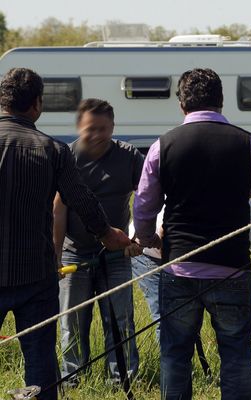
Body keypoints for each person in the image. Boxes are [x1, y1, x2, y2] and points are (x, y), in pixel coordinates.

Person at [134, 68, 251, 400]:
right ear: (221, 101)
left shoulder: (163, 147)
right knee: (235, 355)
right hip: (231, 269)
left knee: (175, 355)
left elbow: (144, 207)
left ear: (181, 105)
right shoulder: (248, 144)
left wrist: (147, 238)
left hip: (178, 269)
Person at [0, 68, 130, 400]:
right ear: (37, 104)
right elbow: (81, 199)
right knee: (40, 363)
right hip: (35, 274)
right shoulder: (52, 150)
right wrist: (107, 234)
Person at [131, 198, 251, 342]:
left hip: (198, 262)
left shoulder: (244, 200)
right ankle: (175, 379)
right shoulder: (188, 187)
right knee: (170, 325)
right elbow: (164, 235)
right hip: (153, 253)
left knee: (191, 326)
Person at [52, 98, 144, 384]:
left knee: (120, 319)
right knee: (72, 322)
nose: (97, 135)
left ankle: (122, 378)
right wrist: (55, 255)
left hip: (116, 255)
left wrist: (137, 236)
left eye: (103, 129)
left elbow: (147, 198)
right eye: (91, 129)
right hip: (73, 253)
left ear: (113, 127)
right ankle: (72, 378)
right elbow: (58, 209)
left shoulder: (128, 156)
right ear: (79, 127)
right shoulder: (67, 158)